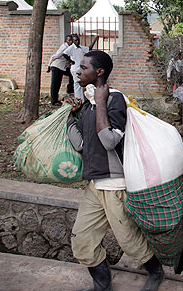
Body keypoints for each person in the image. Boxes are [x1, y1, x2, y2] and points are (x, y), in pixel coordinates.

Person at [65, 50, 164, 291]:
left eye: (84, 67)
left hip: (115, 185)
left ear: (99, 72)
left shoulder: (114, 99)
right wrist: (69, 117)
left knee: (129, 240)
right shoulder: (88, 105)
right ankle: (102, 284)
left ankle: (156, 272)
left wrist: (100, 102)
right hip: (94, 185)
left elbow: (109, 141)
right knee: (82, 239)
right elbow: (80, 145)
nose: (78, 70)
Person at [63, 34, 98, 102]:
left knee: (81, 84)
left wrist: (95, 40)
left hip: (80, 69)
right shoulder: (71, 48)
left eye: (78, 40)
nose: (77, 42)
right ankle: (79, 100)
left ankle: (81, 99)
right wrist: (71, 61)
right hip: (75, 69)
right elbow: (64, 54)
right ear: (73, 41)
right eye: (75, 40)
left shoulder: (81, 47)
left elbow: (89, 48)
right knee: (77, 84)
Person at [48, 34, 74, 106]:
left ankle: (70, 89)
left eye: (71, 40)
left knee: (72, 74)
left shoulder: (70, 47)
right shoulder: (64, 47)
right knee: (55, 84)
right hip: (57, 66)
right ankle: (54, 101)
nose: (70, 42)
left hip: (63, 67)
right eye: (69, 40)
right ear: (66, 40)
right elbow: (56, 56)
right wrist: (49, 65)